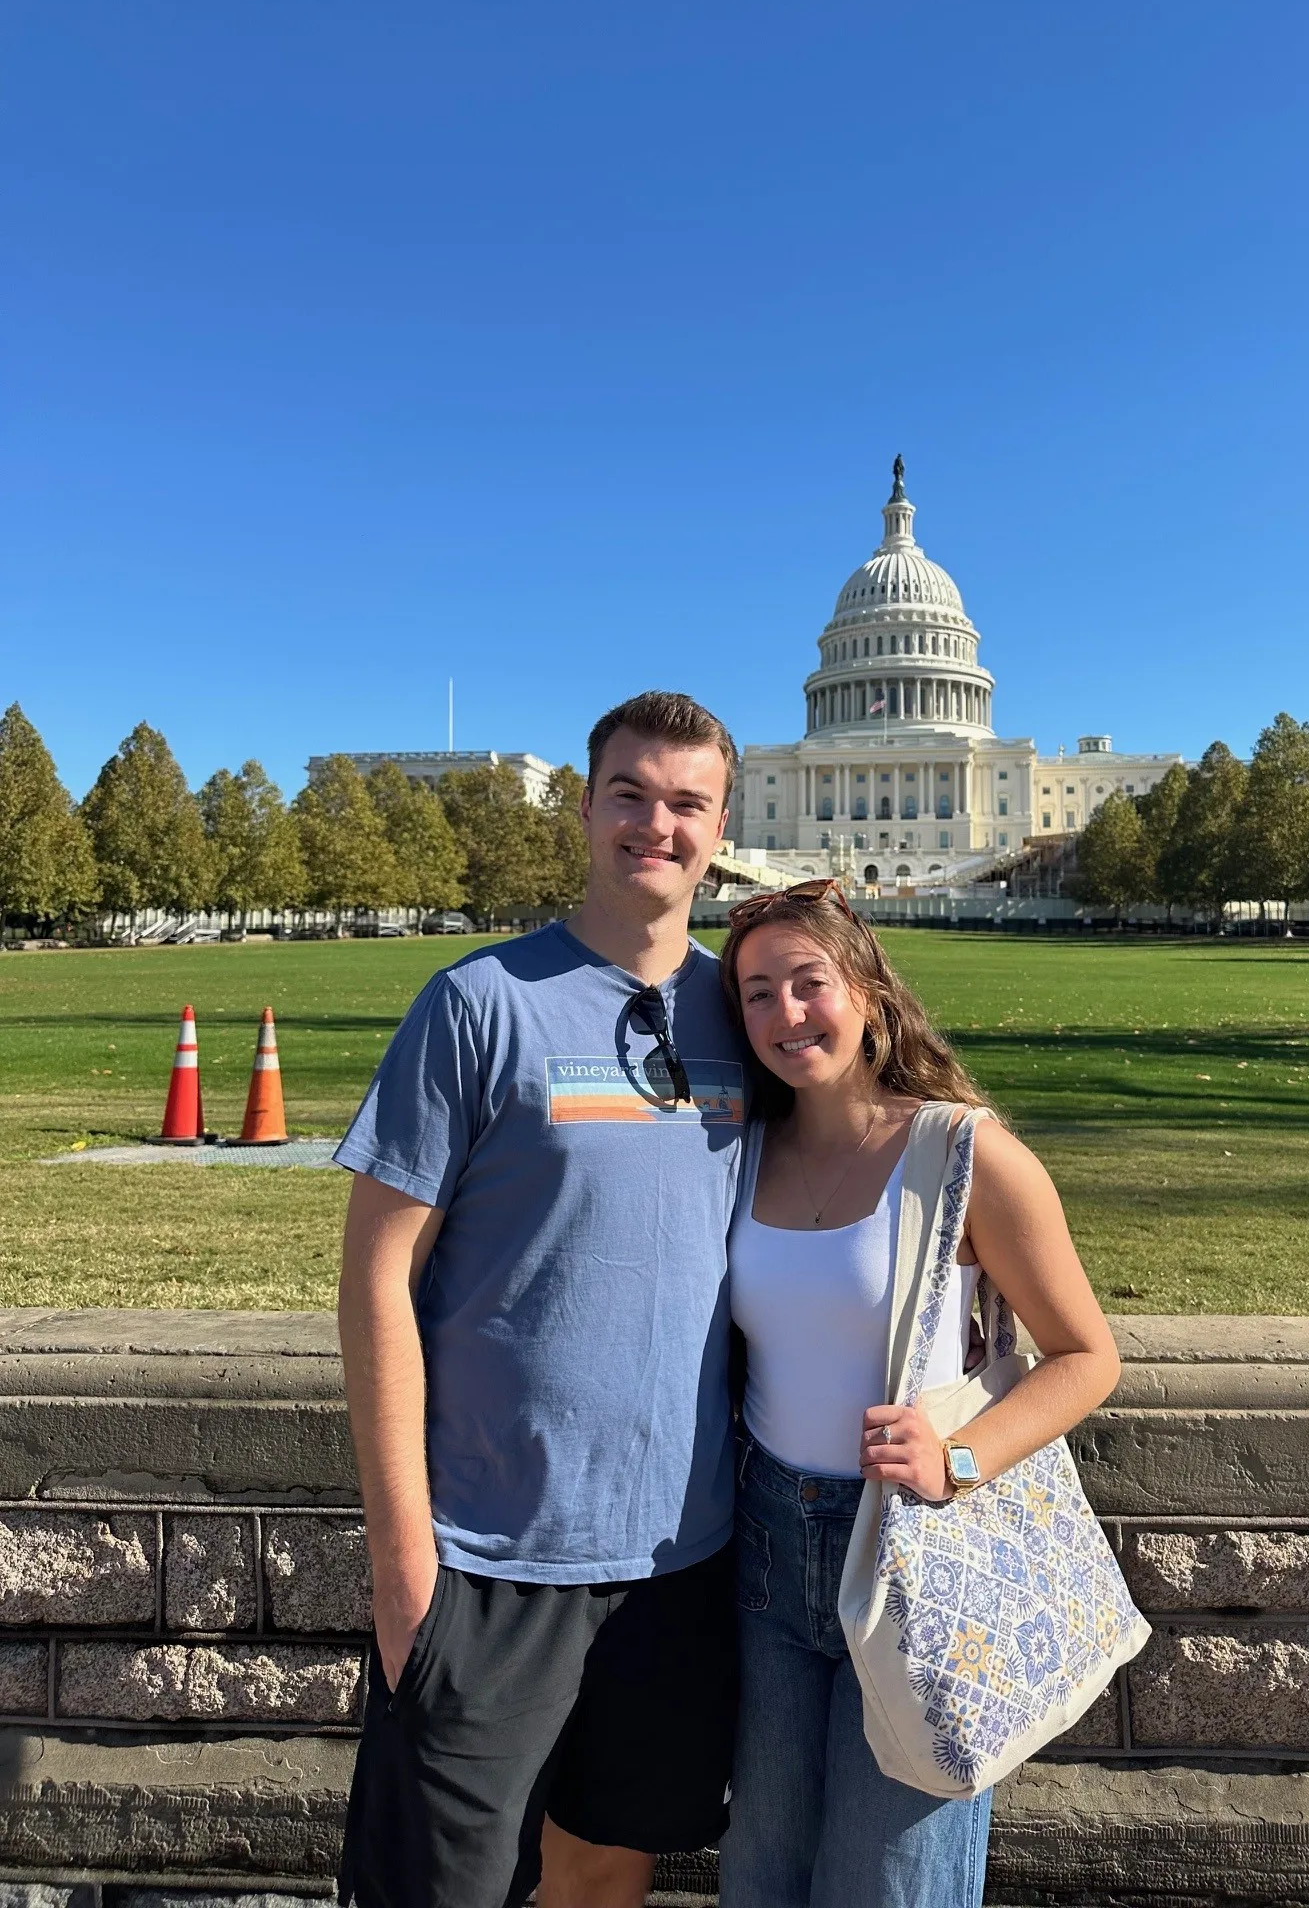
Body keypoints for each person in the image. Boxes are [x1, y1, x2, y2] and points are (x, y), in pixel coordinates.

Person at [335, 692, 747, 1908]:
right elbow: (375, 1278)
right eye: (629, 794)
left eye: (686, 803)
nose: (654, 826)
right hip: (486, 1557)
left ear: (722, 824)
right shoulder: (477, 1003)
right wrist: (404, 1562)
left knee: (607, 1872)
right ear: (584, 808)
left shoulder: (754, 1014)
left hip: (680, 1560)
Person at [715, 880, 1123, 1908]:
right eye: (756, 994)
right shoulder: (740, 1153)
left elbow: (1086, 1355)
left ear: (869, 994)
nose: (784, 1014)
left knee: (891, 1882)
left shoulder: (964, 1154)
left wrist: (963, 1457)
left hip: (910, 1543)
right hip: (768, 1543)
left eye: (808, 983)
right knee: (762, 1870)